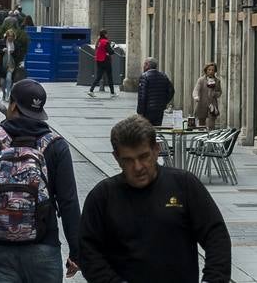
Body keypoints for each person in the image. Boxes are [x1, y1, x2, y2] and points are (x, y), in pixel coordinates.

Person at [78, 114, 232, 283]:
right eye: (128, 160)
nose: (138, 167)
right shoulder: (102, 197)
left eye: (144, 156)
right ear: (116, 158)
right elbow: (88, 252)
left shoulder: (184, 185)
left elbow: (216, 236)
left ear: (156, 150)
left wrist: (213, 279)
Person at [0, 79, 81, 283]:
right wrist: (76, 251)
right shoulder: (56, 146)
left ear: (13, 106)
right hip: (44, 247)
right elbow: (68, 202)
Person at [136, 57, 175, 127]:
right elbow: (171, 91)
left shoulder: (144, 76)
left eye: (144, 64)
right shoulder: (163, 76)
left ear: (147, 65)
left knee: (146, 129)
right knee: (157, 128)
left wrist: (140, 111)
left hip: (147, 110)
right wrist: (164, 102)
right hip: (159, 109)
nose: (143, 66)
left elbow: (142, 96)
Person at [191, 62, 223, 127]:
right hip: (202, 103)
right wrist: (196, 96)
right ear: (206, 70)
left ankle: (211, 132)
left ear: (215, 71)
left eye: (213, 70)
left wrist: (215, 94)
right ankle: (202, 132)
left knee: (211, 123)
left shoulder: (217, 81)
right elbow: (196, 89)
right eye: (209, 70)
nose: (211, 71)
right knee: (201, 123)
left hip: (212, 104)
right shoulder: (201, 80)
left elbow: (219, 92)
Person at [87, 30, 117, 97]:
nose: (107, 35)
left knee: (99, 76)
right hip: (106, 61)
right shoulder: (105, 42)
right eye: (106, 34)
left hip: (99, 60)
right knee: (109, 77)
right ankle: (112, 93)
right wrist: (112, 47)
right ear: (105, 34)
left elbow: (101, 50)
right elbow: (110, 52)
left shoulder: (99, 41)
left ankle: (91, 90)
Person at [0, 31, 20, 100]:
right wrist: (2, 50)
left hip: (11, 65)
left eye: (12, 36)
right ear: (6, 36)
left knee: (8, 79)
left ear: (14, 37)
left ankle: (8, 94)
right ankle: (4, 94)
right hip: (2, 65)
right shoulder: (1, 42)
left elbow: (18, 55)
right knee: (2, 82)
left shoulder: (15, 44)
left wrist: (13, 53)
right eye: (9, 36)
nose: (10, 38)